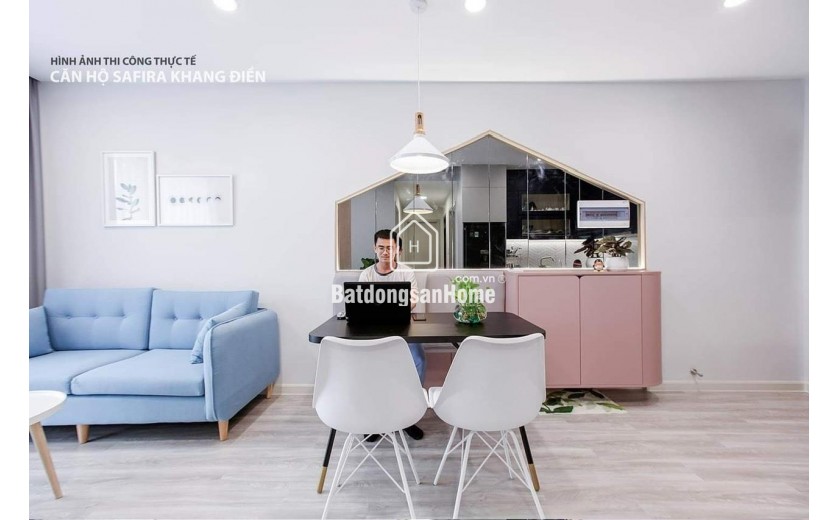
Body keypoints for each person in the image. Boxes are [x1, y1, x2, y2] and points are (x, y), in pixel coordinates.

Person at [359, 229, 425, 441]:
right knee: (368, 363)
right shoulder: (366, 275)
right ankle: (376, 419)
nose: (385, 252)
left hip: (404, 329)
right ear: (374, 248)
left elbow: (413, 301)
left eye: (390, 248)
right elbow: (361, 304)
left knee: (418, 360)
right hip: (374, 331)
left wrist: (387, 306)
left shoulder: (406, 272)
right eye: (381, 247)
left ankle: (409, 416)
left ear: (398, 250)